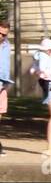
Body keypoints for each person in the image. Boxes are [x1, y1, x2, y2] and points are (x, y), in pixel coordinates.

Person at [0, 20, 10, 155]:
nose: (2, 36)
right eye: (0, 33)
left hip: (2, 83)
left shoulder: (7, 45)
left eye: (4, 35)